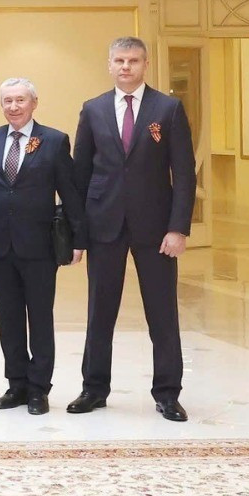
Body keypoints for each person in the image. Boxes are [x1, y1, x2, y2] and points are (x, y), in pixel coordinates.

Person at [69, 36, 196, 422]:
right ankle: (93, 389)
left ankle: (167, 393)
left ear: (145, 64)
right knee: (99, 311)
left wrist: (178, 228)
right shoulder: (92, 110)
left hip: (155, 229)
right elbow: (80, 173)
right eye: (120, 61)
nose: (126, 67)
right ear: (109, 64)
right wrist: (78, 232)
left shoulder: (168, 108)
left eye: (134, 61)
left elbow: (184, 174)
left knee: (162, 312)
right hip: (103, 224)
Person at [0, 78, 82, 415]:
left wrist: (78, 240)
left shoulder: (54, 141)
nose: (14, 106)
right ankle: (16, 384)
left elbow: (70, 194)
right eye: (8, 101)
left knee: (40, 318)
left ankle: (39, 388)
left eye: (20, 100)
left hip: (39, 247)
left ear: (34, 103)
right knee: (8, 318)